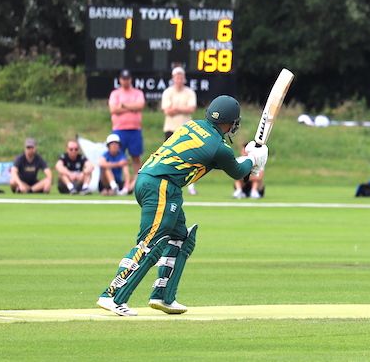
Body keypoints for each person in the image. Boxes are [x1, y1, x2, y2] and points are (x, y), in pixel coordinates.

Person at [96, 95, 268, 316]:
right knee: (152, 242)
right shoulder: (218, 147)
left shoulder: (192, 126)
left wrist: (249, 160)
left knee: (181, 238)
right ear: (230, 122)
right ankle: (112, 295)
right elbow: (235, 169)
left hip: (151, 181)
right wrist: (253, 160)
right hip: (161, 186)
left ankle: (163, 296)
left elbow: (215, 160)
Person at [161, 66, 198, 195]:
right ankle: (169, 183)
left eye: (181, 76)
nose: (179, 79)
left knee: (190, 158)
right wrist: (182, 108)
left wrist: (176, 108)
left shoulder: (189, 92)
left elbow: (191, 109)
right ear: (173, 78)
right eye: (176, 77)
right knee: (170, 158)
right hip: (171, 129)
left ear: (184, 78)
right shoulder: (168, 92)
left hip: (186, 129)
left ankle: (191, 185)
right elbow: (168, 111)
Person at [108, 69, 145, 186]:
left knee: (136, 156)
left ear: (131, 79)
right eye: (123, 79)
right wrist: (131, 108)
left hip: (134, 129)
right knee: (117, 155)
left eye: (127, 79)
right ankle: (119, 181)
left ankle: (137, 182)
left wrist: (123, 105)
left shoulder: (137, 93)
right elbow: (113, 110)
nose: (125, 81)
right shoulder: (115, 93)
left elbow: (140, 106)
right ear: (120, 80)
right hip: (119, 129)